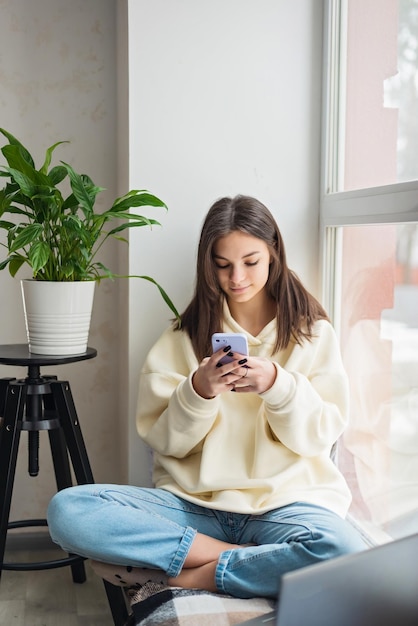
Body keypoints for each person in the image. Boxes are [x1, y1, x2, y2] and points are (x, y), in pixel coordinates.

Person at [47, 194, 365, 600]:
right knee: (68, 511)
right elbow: (164, 442)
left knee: (343, 550)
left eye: (250, 262)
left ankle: (186, 576)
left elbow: (318, 438)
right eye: (222, 265)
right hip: (193, 507)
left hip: (286, 503)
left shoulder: (314, 334)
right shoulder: (181, 337)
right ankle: (248, 557)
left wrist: (278, 386)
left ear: (273, 254)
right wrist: (199, 392)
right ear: (207, 265)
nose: (237, 278)